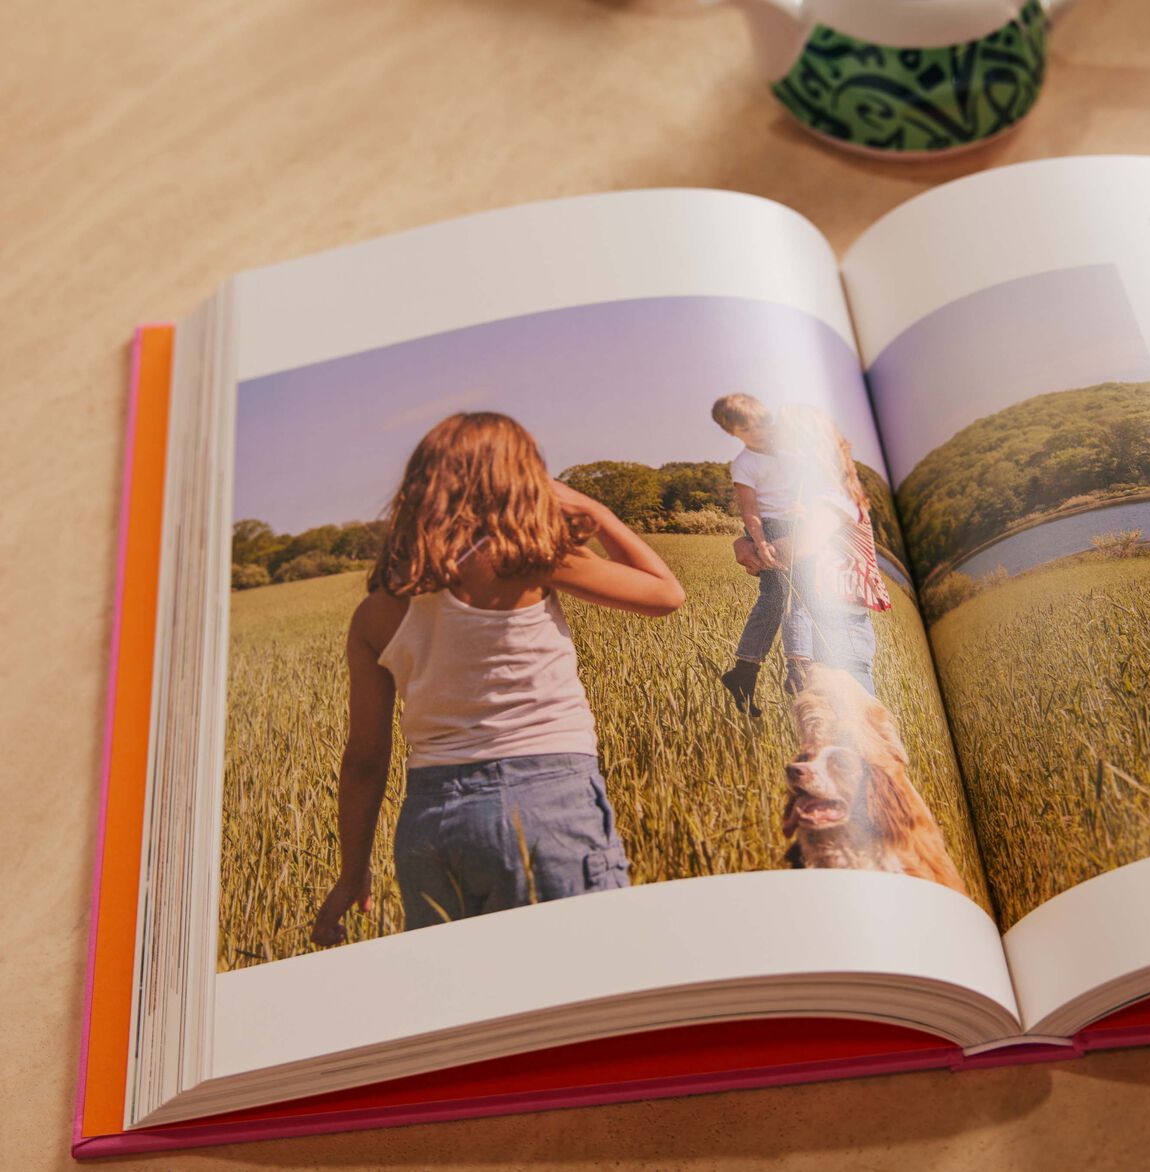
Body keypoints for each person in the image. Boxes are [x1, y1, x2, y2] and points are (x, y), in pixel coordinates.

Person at [311, 412, 685, 945]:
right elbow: (666, 594)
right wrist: (593, 510)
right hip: (545, 801)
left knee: (472, 997)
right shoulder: (526, 559)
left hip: (430, 824)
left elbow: (364, 760)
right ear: (520, 480)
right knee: (591, 974)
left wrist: (353, 871)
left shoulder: (374, 613)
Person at [776, 404, 891, 695]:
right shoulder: (819, 501)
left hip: (840, 631)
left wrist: (755, 551)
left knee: (857, 726)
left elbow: (799, 549)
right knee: (831, 727)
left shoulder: (836, 499)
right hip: (823, 626)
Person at [710, 393, 812, 716]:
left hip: (797, 525)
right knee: (786, 595)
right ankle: (796, 670)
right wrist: (760, 541)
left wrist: (805, 507)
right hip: (768, 528)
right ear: (734, 434)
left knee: (785, 598)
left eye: (764, 424)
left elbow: (809, 486)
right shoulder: (744, 464)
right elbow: (749, 509)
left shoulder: (791, 450)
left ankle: (745, 671)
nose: (762, 433)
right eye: (749, 430)